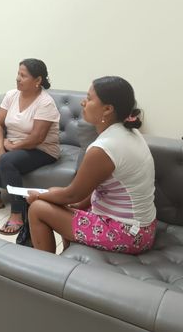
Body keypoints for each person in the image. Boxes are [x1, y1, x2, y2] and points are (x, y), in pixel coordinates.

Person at [26, 76, 157, 255]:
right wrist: (70, 202)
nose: (83, 103)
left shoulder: (104, 148)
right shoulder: (129, 132)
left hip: (128, 233)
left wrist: (40, 196)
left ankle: (48, 268)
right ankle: (68, 259)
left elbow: (72, 194)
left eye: (89, 98)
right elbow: (93, 189)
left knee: (37, 209)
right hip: (142, 228)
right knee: (64, 204)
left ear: (107, 109)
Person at [0, 59, 60, 235]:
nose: (18, 78)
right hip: (13, 143)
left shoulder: (45, 102)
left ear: (38, 80)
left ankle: (18, 213)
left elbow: (37, 138)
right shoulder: (12, 95)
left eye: (23, 75)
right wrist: (0, 147)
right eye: (18, 74)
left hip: (41, 149)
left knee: (7, 161)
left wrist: (11, 148)